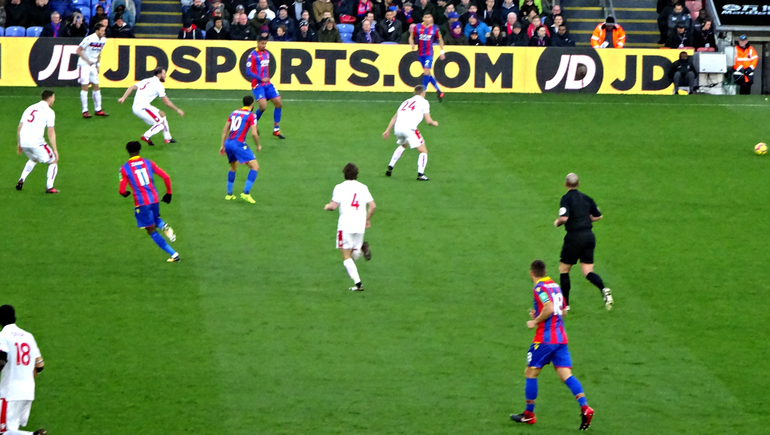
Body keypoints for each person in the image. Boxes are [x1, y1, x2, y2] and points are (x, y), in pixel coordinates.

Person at [509, 260, 595, 431]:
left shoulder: (539, 288)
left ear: (531, 273)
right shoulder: (554, 285)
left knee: (531, 372)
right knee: (566, 375)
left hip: (545, 339)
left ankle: (529, 415)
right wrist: (540, 313)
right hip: (561, 338)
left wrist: (535, 320)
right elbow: (562, 310)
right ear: (545, 271)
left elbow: (548, 308)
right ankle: (585, 407)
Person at [554, 173, 613, 310]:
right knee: (588, 271)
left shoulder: (566, 199)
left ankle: (565, 305)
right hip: (588, 236)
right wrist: (585, 220)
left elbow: (564, 218)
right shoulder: (586, 198)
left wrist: (557, 222)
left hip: (574, 237)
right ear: (578, 184)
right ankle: (603, 289)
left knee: (564, 270)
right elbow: (598, 216)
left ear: (566, 184)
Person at [118, 141, 179, 262]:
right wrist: (169, 193)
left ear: (127, 151)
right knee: (155, 219)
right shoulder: (148, 163)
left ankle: (174, 254)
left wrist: (125, 193)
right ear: (139, 150)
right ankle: (163, 226)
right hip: (154, 198)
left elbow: (121, 190)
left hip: (142, 202)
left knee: (150, 229)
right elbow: (166, 177)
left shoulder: (124, 168)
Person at [324, 163, 376, 292]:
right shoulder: (363, 187)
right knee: (354, 253)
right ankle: (362, 249)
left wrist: (327, 206)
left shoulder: (340, 187)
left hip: (346, 225)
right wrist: (367, 219)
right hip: (359, 224)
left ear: (344, 174)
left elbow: (333, 206)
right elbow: (373, 206)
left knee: (346, 255)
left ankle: (358, 284)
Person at [0, 305, 47, 435]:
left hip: (9, 393)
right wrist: (25, 378)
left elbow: (1, 360)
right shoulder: (28, 337)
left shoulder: (2, 336)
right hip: (27, 391)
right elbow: (40, 365)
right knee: (12, 431)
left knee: (4, 432)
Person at [382, 85, 438, 181]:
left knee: (404, 145)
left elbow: (395, 117)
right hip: (409, 128)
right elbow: (428, 121)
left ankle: (390, 167)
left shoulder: (406, 102)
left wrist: (387, 130)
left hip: (398, 128)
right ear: (423, 93)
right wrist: (434, 123)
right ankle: (421, 174)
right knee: (423, 151)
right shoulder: (424, 102)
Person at [117, 67, 184, 146]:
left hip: (141, 106)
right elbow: (167, 102)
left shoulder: (146, 80)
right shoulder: (158, 85)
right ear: (159, 74)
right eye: (164, 74)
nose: (165, 76)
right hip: (142, 108)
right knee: (160, 124)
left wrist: (123, 98)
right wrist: (177, 110)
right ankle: (146, 136)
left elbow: (132, 87)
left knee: (162, 115)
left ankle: (168, 138)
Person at [220, 96, 262, 203]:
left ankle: (229, 194)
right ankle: (245, 193)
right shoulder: (251, 116)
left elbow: (225, 130)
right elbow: (254, 133)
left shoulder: (233, 113)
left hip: (228, 143)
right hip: (238, 144)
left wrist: (222, 145)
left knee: (233, 167)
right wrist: (258, 145)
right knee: (255, 167)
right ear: (252, 104)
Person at [15, 90, 59, 194]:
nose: (54, 100)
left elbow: (19, 127)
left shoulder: (30, 108)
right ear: (50, 98)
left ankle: (22, 179)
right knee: (53, 160)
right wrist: (55, 150)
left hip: (24, 141)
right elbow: (51, 132)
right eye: (53, 98)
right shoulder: (49, 112)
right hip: (36, 142)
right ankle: (50, 187)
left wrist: (19, 143)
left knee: (34, 158)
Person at [246, 37, 286, 139]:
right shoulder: (253, 55)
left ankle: (276, 129)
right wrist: (260, 78)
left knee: (279, 103)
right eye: (262, 43)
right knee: (263, 107)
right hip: (258, 85)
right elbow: (248, 71)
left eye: (265, 44)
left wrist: (266, 79)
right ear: (257, 43)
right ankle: (252, 122)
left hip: (268, 85)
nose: (263, 45)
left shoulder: (267, 54)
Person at [410, 12, 445, 102]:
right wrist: (412, 44)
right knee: (428, 74)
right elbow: (411, 37)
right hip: (420, 53)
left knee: (426, 72)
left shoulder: (435, 29)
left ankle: (422, 94)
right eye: (425, 17)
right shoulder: (417, 27)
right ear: (423, 18)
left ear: (431, 18)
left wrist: (442, 51)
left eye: (429, 17)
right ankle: (439, 92)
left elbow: (440, 39)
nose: (427, 19)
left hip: (429, 53)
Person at [76, 23, 109, 118]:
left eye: (104, 30)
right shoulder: (89, 39)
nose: (104, 32)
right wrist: (87, 61)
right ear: (97, 30)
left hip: (93, 65)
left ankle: (98, 109)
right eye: (102, 30)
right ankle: (85, 110)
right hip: (84, 64)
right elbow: (78, 50)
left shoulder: (103, 40)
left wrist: (98, 65)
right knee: (85, 86)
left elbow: (99, 52)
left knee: (96, 86)